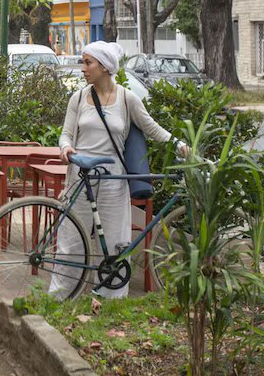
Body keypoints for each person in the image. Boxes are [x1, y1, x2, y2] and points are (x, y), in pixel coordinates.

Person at [55, 41, 189, 299]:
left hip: (114, 178)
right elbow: (66, 134)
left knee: (116, 242)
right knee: (70, 238)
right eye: (83, 62)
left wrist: (180, 145)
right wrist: (66, 149)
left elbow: (152, 128)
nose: (83, 68)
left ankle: (111, 299)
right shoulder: (79, 98)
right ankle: (60, 297)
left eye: (88, 62)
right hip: (80, 174)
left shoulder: (128, 99)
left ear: (105, 67)